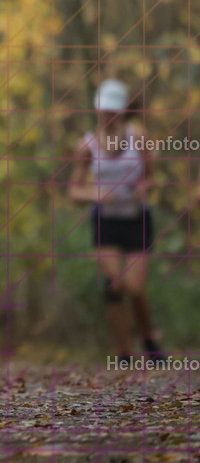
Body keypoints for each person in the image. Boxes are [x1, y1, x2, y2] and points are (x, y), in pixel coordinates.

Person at [68, 79, 165, 362]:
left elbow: (151, 177)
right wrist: (94, 194)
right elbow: (73, 191)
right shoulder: (86, 145)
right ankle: (123, 352)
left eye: (112, 110)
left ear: (121, 111)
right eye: (103, 110)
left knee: (135, 287)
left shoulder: (140, 138)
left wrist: (142, 188)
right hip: (106, 221)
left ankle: (148, 339)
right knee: (115, 284)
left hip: (136, 218)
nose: (107, 115)